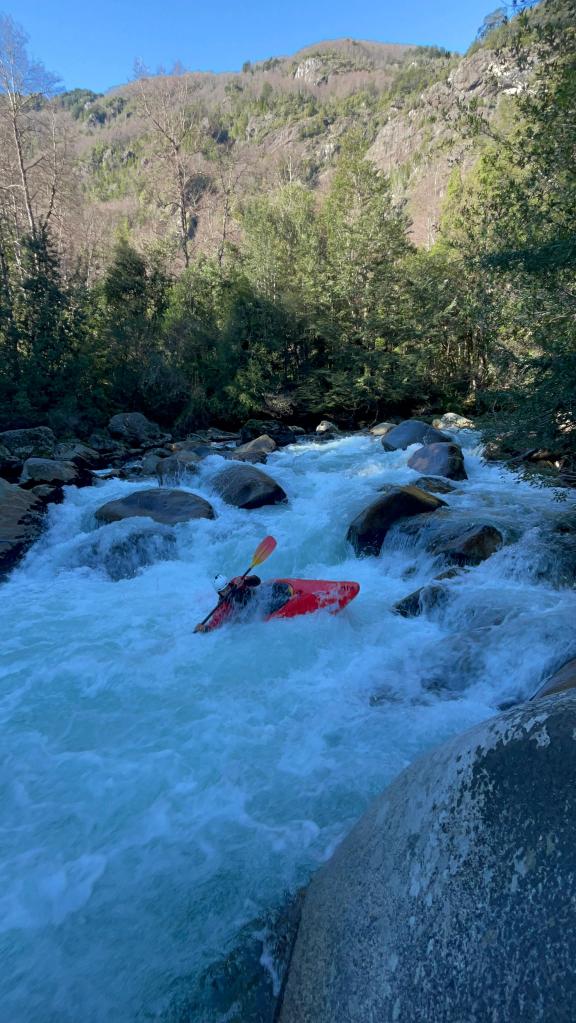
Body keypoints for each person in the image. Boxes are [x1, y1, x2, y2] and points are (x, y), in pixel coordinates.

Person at [194, 574, 261, 633]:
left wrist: (246, 579)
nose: (227, 592)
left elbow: (257, 581)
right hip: (249, 609)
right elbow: (215, 622)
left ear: (229, 584)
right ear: (219, 593)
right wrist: (205, 628)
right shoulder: (223, 605)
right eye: (223, 591)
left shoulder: (237, 581)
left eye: (227, 588)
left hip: (258, 597)